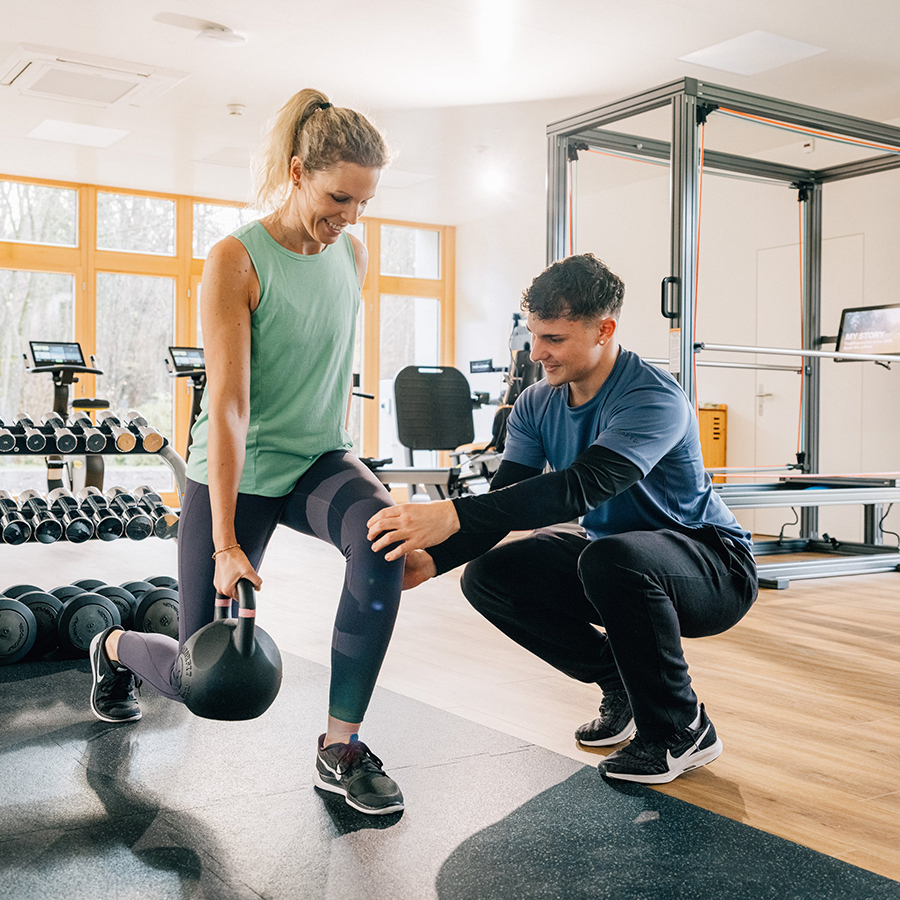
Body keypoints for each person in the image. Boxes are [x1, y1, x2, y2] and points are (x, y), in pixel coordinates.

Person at [88, 89, 406, 815]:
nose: (350, 218)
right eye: (337, 197)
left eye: (362, 202)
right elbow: (227, 405)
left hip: (320, 459)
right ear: (297, 172)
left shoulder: (351, 255)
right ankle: (113, 648)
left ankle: (340, 748)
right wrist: (227, 541)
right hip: (239, 471)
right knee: (204, 683)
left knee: (382, 541)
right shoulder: (237, 258)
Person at [367, 253, 758, 785]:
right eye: (534, 335)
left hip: (712, 565)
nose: (538, 353)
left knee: (610, 557)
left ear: (604, 330)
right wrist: (431, 561)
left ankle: (680, 729)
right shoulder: (534, 403)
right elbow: (506, 502)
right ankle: (621, 681)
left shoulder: (651, 399)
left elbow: (580, 487)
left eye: (553, 338)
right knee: (491, 577)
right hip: (616, 558)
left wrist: (450, 511)